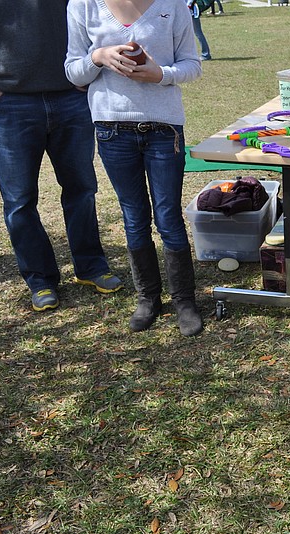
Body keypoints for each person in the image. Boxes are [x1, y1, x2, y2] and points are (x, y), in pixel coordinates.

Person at [65, 0, 205, 336]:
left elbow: (192, 65)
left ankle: (184, 300)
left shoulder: (173, 5)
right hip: (112, 129)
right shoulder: (83, 4)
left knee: (168, 217)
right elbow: (73, 70)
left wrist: (161, 74)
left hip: (163, 129)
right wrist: (98, 57)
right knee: (134, 216)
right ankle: (148, 298)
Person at [0, 2, 123, 313]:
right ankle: (40, 279)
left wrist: (89, 69)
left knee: (82, 189)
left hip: (71, 96)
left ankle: (90, 267)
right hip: (10, 102)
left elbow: (95, 19)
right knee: (19, 200)